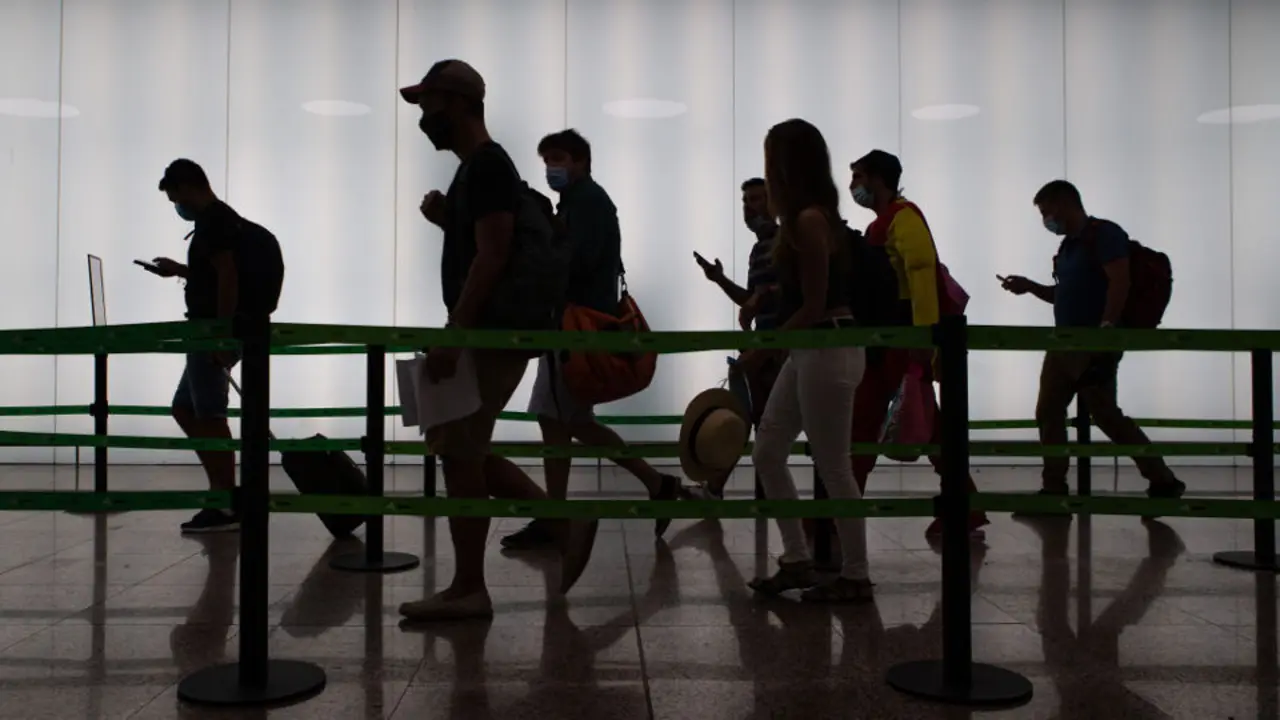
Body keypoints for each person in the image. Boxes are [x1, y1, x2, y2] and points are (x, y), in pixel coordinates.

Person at [395, 60, 598, 623]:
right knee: (459, 445)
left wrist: (456, 333)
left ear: (459, 103)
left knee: (460, 448)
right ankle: (551, 530)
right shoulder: (479, 169)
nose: (423, 118)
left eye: (429, 105)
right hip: (490, 330)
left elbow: (493, 255)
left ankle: (472, 585)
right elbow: (488, 246)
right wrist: (447, 221)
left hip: (490, 333)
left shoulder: (486, 166)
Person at [500, 129, 680, 550]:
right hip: (570, 326)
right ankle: (651, 485)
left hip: (575, 327)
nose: (552, 168)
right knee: (566, 420)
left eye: (558, 158)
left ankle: (559, 516)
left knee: (557, 418)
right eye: (547, 160)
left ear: (581, 161)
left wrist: (540, 238)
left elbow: (572, 262)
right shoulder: (578, 202)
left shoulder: (587, 202)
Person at [741, 118, 873, 603]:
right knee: (768, 451)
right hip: (813, 350)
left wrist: (764, 347)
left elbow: (815, 304)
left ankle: (856, 574)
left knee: (833, 465)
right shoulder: (810, 219)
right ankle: (796, 558)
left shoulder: (809, 221)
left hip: (827, 348)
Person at [999, 180, 1185, 501]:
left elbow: (1120, 281)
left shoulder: (1105, 235)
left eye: (1046, 212)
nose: (1046, 220)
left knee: (1106, 416)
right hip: (1063, 344)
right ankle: (1053, 487)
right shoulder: (1068, 248)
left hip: (1093, 345)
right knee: (1049, 412)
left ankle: (1163, 479)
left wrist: (1107, 329)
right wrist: (1030, 287)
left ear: (1064, 204)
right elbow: (1064, 295)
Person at [846, 150, 989, 540]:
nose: (853, 185)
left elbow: (921, 273)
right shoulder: (881, 224)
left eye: (858, 176)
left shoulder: (902, 217)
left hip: (900, 341)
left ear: (878, 179)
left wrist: (924, 337)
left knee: (863, 424)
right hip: (894, 339)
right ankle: (967, 508)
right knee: (930, 426)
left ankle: (838, 519)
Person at [148, 159, 268, 534]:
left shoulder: (214, 222)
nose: (177, 207)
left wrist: (221, 335)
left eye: (176, 199)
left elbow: (228, 277)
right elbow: (216, 275)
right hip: (208, 331)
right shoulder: (219, 222)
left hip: (211, 332)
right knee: (185, 408)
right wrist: (180, 271)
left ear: (188, 187)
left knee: (211, 414)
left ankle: (226, 503)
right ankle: (222, 490)